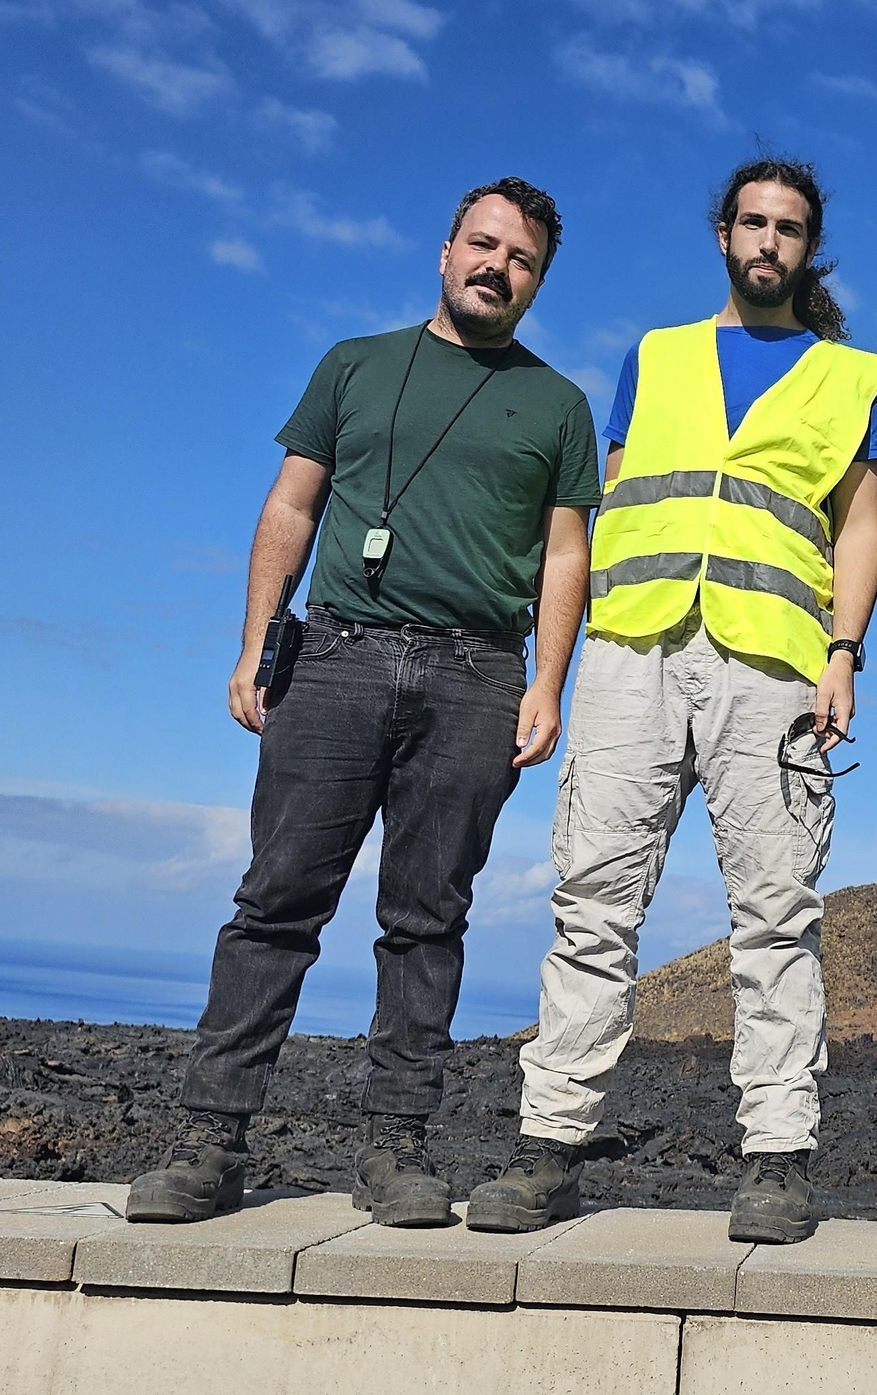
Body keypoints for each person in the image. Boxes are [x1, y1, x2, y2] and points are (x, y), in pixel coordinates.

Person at [126, 178, 600, 1228]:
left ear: (537, 282)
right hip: (334, 654)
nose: (497, 267)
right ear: (445, 252)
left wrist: (547, 682)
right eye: (483, 245)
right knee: (276, 903)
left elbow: (568, 554)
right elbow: (292, 503)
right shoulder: (353, 363)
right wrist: (257, 640)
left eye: (520, 260)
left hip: (480, 674)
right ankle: (209, 1142)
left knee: (428, 921)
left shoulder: (559, 403)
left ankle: (396, 1150)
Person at [468, 155, 877, 1245]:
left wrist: (843, 652)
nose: (767, 242)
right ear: (722, 234)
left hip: (775, 665)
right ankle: (548, 1148)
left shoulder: (848, 378)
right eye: (750, 222)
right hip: (631, 651)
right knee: (593, 901)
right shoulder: (653, 358)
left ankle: (778, 1163)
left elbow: (858, 524)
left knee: (777, 915)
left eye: (787, 228)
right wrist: (560, 661)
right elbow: (601, 503)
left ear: (808, 246)